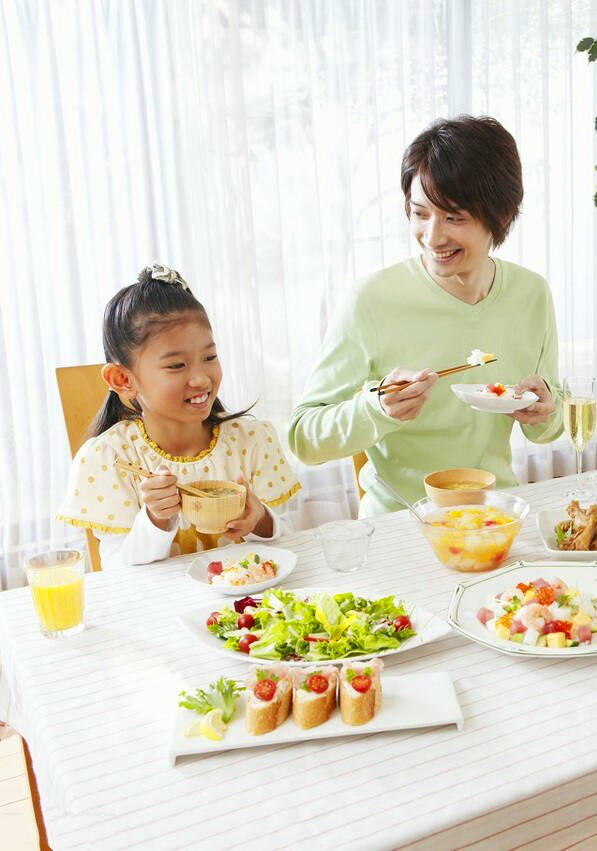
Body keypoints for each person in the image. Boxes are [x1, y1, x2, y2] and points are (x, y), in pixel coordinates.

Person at [288, 116, 562, 514]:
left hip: (494, 517)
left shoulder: (531, 294)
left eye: (454, 218)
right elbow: (303, 438)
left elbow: (549, 428)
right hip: (400, 522)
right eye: (420, 213)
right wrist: (376, 409)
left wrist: (543, 409)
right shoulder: (371, 301)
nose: (433, 237)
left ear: (501, 216)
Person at [56, 265, 299, 567]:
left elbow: (290, 541)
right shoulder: (110, 457)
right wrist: (156, 518)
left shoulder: (251, 440)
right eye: (176, 366)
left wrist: (259, 519)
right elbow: (117, 569)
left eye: (209, 357)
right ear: (123, 380)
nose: (200, 378)